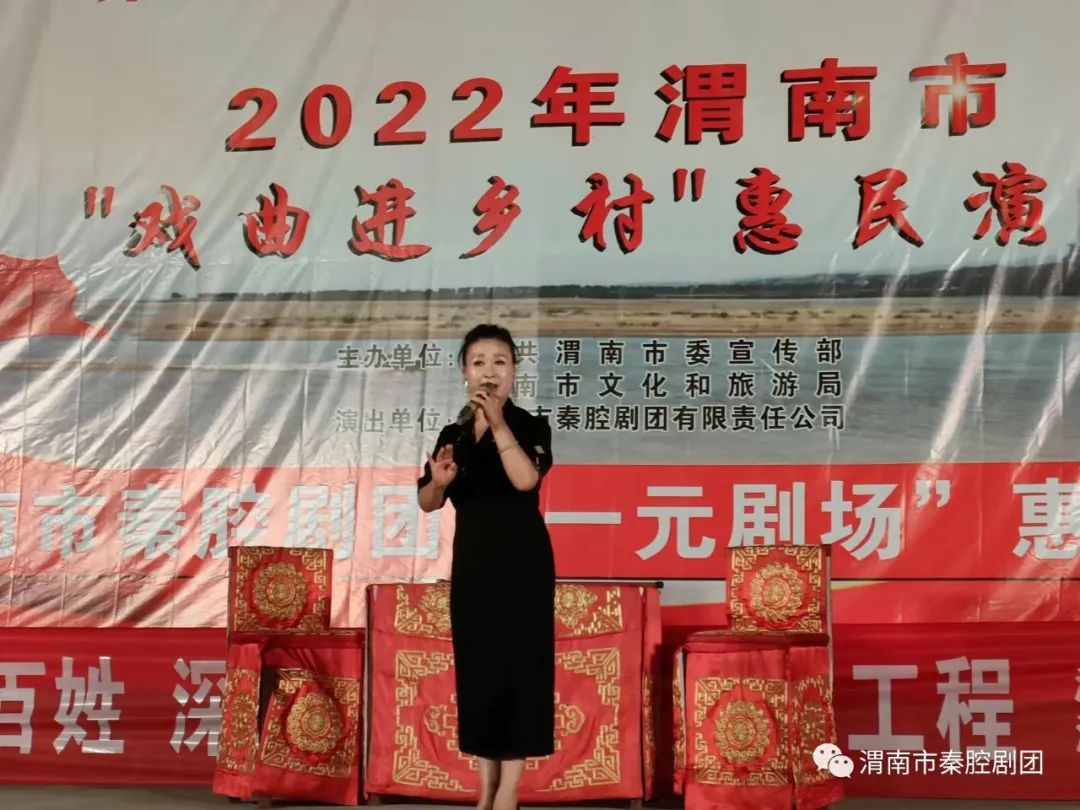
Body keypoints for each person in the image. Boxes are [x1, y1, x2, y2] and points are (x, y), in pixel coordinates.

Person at [417, 323, 555, 810]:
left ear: (514, 371)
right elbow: (427, 501)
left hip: (522, 568)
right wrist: (438, 482)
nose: (489, 371)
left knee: (519, 672)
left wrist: (498, 425)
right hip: (473, 567)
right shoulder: (452, 434)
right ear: (464, 371)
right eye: (479, 362)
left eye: (500, 361)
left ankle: (509, 792)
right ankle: (485, 790)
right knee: (479, 674)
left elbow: (525, 481)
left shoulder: (531, 427)